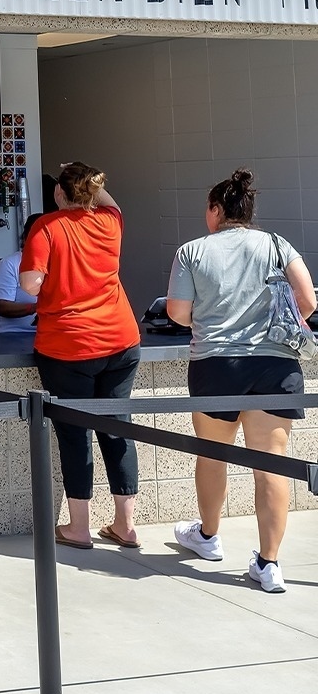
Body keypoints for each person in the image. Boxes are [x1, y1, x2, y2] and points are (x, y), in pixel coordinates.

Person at [167, 168, 317, 593]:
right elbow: (308, 300)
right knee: (272, 463)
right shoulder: (277, 244)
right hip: (275, 364)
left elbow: (177, 312)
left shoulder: (192, 251)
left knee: (212, 454)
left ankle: (208, 537)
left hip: (216, 364)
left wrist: (211, 320)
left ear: (216, 210)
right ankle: (269, 564)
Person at [19, 162, 141, 550]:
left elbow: (30, 285)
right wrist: (83, 173)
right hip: (121, 340)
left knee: (74, 434)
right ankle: (126, 526)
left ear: (58, 192)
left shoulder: (46, 227)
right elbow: (110, 202)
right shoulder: (110, 221)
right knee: (118, 427)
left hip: (69, 345)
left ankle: (79, 528)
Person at [0, 213, 41, 334]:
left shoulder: (58, 262)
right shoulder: (9, 264)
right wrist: (36, 307)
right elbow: (2, 306)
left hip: (47, 334)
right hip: (12, 335)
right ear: (25, 238)